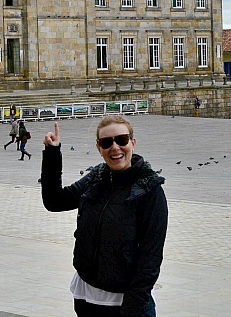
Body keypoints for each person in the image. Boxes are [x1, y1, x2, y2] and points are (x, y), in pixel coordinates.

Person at [41, 117, 167, 317]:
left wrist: (133, 310)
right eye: (107, 142)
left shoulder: (149, 190)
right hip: (86, 296)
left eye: (122, 140)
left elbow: (150, 258)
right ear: (99, 148)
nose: (115, 147)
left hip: (125, 303)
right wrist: (52, 153)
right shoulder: (96, 178)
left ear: (132, 143)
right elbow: (54, 201)